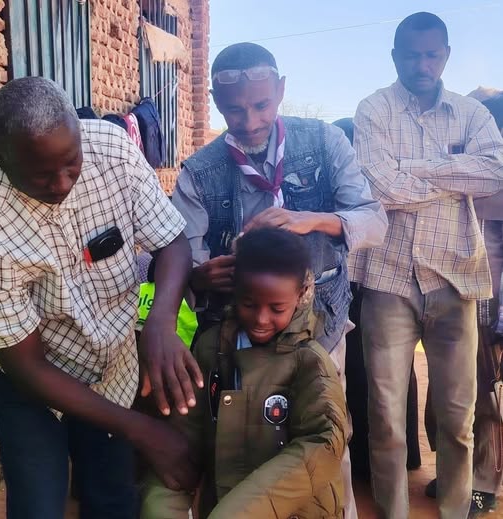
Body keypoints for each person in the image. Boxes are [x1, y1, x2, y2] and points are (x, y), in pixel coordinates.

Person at [0, 76, 201, 519]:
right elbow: (25, 365)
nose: (63, 182)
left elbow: (171, 242)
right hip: (33, 384)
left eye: (71, 162)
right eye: (41, 175)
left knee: (112, 499)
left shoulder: (113, 150)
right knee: (39, 507)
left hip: (114, 366)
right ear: (0, 158)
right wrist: (140, 428)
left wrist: (161, 323)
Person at [172, 42, 386, 519]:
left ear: (282, 90)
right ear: (214, 100)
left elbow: (374, 221)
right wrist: (199, 273)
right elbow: (180, 251)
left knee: (325, 443)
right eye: (233, 109)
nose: (249, 121)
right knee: (241, 439)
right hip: (237, 331)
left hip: (320, 324)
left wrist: (312, 220)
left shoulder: (326, 142)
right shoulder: (200, 172)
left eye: (262, 105)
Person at [352, 12, 503, 518]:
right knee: (385, 415)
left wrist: (413, 169)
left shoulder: (471, 114)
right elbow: (380, 186)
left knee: (459, 415)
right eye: (412, 55)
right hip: (387, 277)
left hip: (456, 277)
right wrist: (454, 176)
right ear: (395, 56)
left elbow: (493, 174)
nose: (422, 64)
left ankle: (459, 509)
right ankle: (393, 512)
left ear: (446, 56)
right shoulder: (373, 110)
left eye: (432, 54)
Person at [140, 227, 348, 519]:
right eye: (249, 304)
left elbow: (322, 446)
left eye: (277, 308)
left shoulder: (311, 362)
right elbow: (184, 440)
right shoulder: (210, 349)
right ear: (235, 290)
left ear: (300, 294)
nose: (261, 319)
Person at [423, 93, 503, 514]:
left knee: (484, 396)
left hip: (488, 307)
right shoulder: (456, 176)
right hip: (446, 298)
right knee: (448, 394)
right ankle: (454, 475)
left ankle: (482, 485)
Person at [331, 118, 423, 478]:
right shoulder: (378, 169)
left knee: (373, 370)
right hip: (374, 279)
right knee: (388, 372)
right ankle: (399, 457)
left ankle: (373, 462)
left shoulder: (370, 174)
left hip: (370, 279)